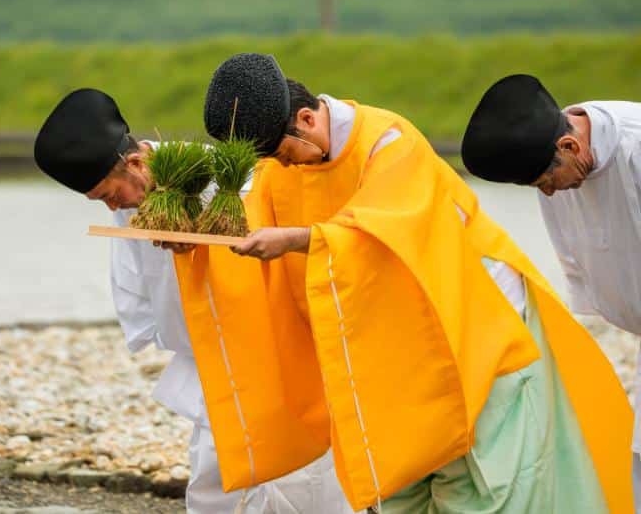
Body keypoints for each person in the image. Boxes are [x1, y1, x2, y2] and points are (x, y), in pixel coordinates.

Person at [169, 53, 633, 512]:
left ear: (307, 119)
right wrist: (199, 241)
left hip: (471, 324)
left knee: (489, 485)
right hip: (392, 342)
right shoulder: (282, 169)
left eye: (283, 154)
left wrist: (296, 239)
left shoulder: (389, 142)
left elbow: (384, 234)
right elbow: (251, 228)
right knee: (400, 483)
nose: (283, 166)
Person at [33, 87, 357, 513]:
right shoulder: (136, 200)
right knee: (214, 483)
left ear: (135, 163)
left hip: (279, 354)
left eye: (110, 194)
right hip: (213, 361)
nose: (113, 207)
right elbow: (141, 286)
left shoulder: (229, 180)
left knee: (305, 482)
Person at [461, 73, 641, 512]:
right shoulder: (558, 170)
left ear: (570, 146)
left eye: (545, 180)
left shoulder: (634, 149)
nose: (546, 191)